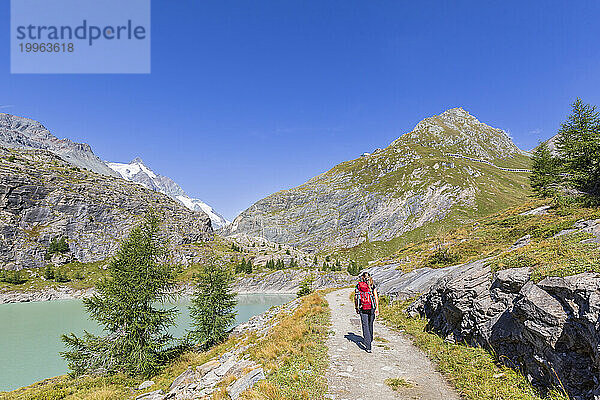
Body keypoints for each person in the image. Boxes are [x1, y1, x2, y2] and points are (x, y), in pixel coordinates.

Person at [354, 272, 379, 353]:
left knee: (365, 325)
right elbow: (375, 297)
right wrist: (377, 308)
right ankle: (370, 339)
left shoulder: (358, 285)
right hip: (372, 307)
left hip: (362, 307)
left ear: (362, 277)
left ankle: (368, 346)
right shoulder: (372, 285)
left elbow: (356, 297)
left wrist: (356, 307)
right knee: (370, 324)